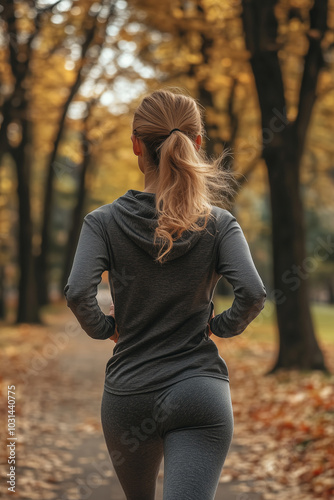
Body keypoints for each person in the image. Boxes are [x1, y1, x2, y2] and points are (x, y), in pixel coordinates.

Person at [64, 88, 267, 500]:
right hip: (200, 394)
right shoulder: (219, 223)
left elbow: (76, 292)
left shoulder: (102, 222)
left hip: (128, 396)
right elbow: (253, 292)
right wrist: (219, 326)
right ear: (197, 143)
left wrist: (107, 329)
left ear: (137, 144)